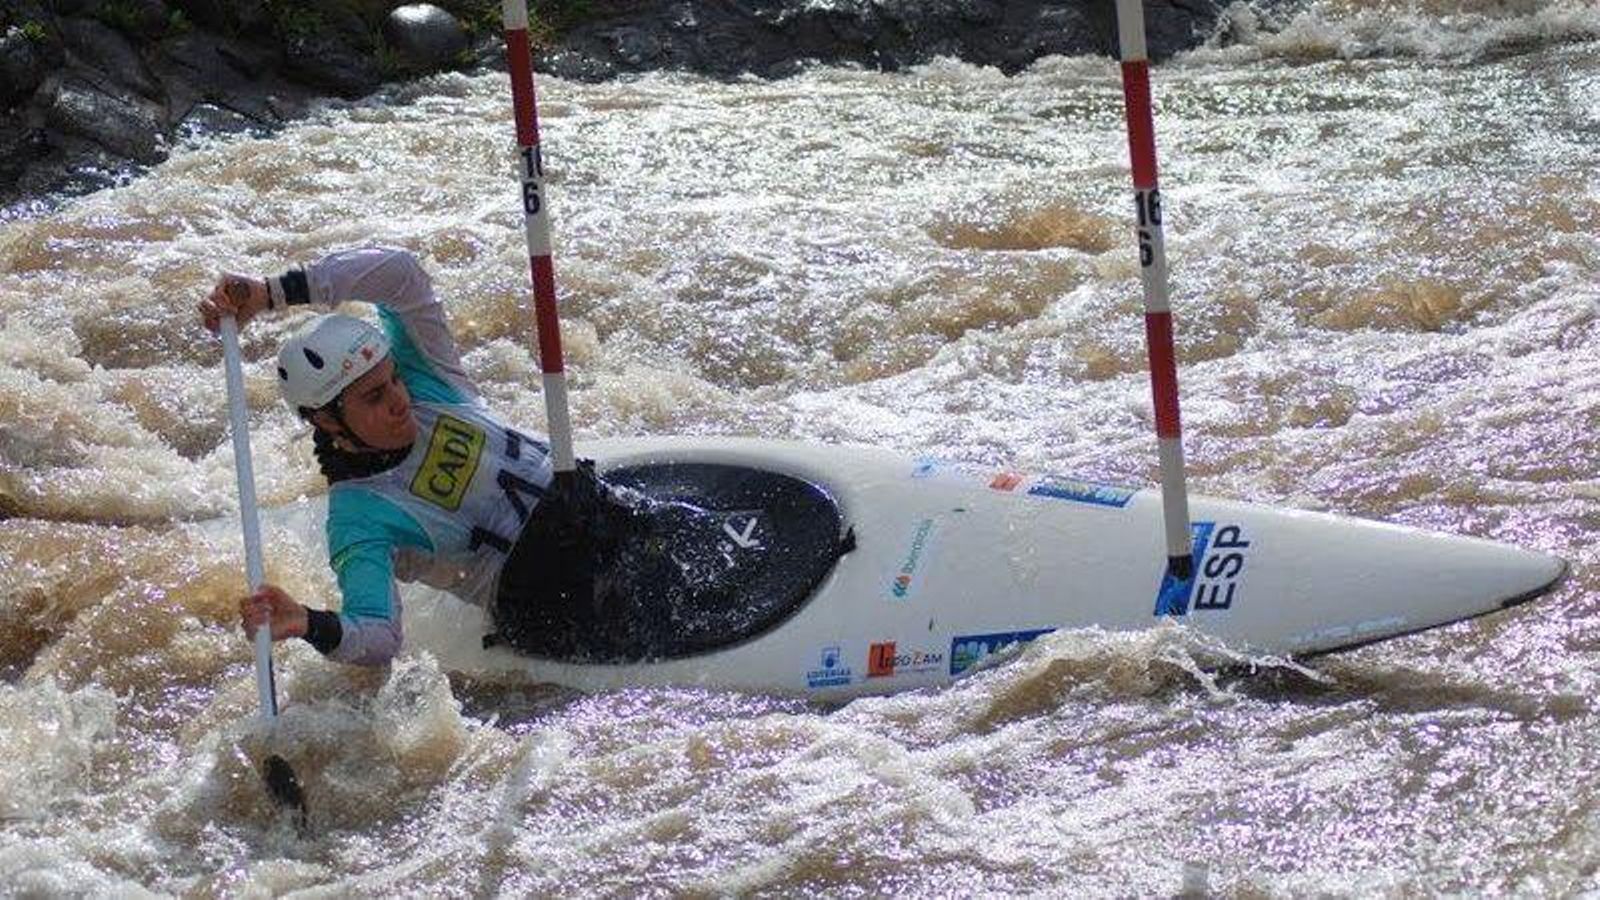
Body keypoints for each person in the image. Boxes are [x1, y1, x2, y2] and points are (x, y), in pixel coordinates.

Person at [201, 246, 652, 665]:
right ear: (328, 422)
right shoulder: (359, 517)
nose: (399, 401)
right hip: (560, 603)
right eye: (374, 397)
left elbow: (401, 273)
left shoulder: (426, 377)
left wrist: (271, 293)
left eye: (394, 379)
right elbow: (378, 635)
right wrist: (308, 622)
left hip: (602, 516)